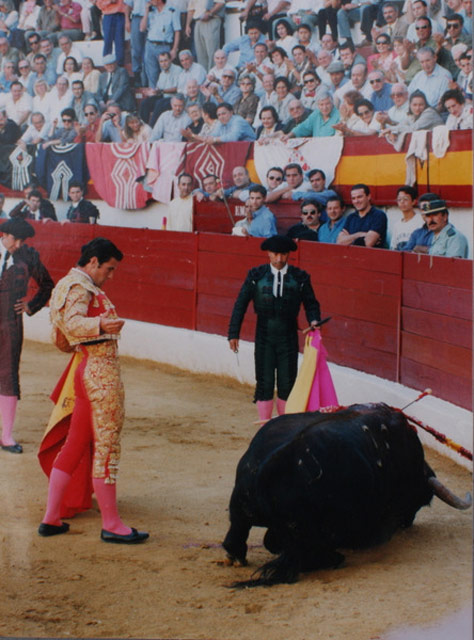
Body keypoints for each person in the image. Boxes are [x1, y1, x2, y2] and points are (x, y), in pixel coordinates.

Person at [38, 237, 149, 543]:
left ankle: (51, 518)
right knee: (107, 447)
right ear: (93, 262)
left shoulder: (64, 285)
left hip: (83, 370)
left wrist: (85, 338)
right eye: (108, 269)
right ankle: (111, 524)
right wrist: (101, 326)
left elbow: (60, 338)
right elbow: (73, 325)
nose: (110, 276)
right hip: (100, 375)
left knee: (74, 445)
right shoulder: (81, 288)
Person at [228, 234, 321, 421]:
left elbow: (311, 304)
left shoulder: (300, 278)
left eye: (284, 254)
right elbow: (240, 304)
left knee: (287, 382)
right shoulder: (256, 276)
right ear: (268, 254)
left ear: (289, 255)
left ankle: (282, 427)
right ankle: (265, 428)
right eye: (276, 254)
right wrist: (233, 333)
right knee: (265, 382)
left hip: (288, 336)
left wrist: (313, 320)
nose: (279, 259)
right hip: (264, 335)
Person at [0, 217, 53, 453]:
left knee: (8, 374)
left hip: (10, 323)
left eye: (20, 239)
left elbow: (47, 284)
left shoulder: (28, 257)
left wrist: (31, 306)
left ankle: (7, 436)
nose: (17, 243)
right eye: (12, 238)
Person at [418, 192, 468, 258]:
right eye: (428, 216)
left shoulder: (454, 238)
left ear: (445, 216)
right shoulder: (435, 236)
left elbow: (453, 266)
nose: (431, 219)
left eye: (435, 215)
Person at [337, 183, 387, 248]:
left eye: (359, 197)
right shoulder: (351, 217)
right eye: (353, 198)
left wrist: (349, 238)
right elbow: (340, 242)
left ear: (368, 197)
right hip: (351, 256)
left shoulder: (378, 215)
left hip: (372, 257)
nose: (356, 201)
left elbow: (369, 243)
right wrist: (359, 234)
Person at [389, 186, 424, 250]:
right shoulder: (397, 225)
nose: (402, 202)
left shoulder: (421, 220)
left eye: (405, 199)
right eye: (399, 199)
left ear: (413, 201)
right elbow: (393, 248)